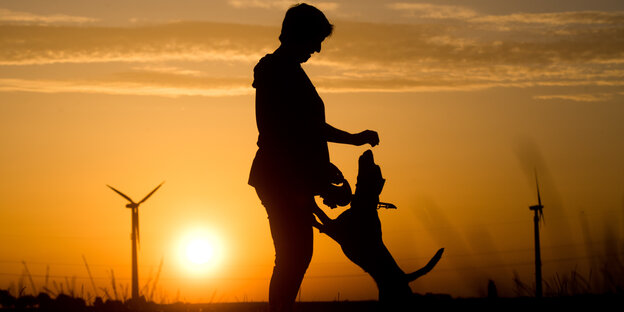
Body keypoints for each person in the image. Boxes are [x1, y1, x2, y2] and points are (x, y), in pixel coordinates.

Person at [248, 4, 379, 312]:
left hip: (285, 176)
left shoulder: (285, 70)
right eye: (315, 40)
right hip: (282, 177)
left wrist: (323, 172)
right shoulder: (279, 71)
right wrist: (351, 141)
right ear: (299, 35)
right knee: (294, 255)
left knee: (295, 255)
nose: (318, 49)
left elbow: (305, 132)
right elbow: (295, 132)